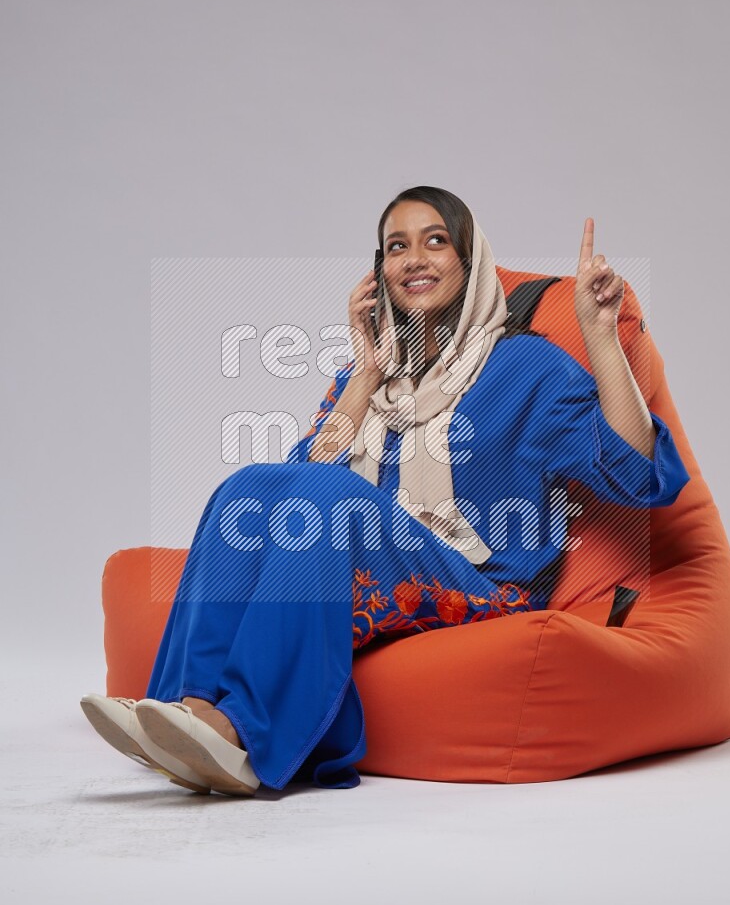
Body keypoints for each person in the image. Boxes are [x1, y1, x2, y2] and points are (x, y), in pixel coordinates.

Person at [80, 185, 691, 798]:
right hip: (370, 547)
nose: (414, 259)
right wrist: (365, 376)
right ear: (380, 272)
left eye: (436, 241)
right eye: (396, 247)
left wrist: (602, 335)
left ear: (470, 260)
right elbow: (288, 490)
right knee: (246, 487)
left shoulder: (527, 366)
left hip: (480, 586)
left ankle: (241, 730)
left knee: (328, 498)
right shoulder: (364, 376)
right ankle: (189, 713)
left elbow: (641, 477)